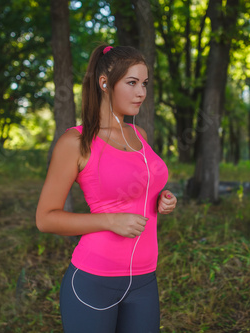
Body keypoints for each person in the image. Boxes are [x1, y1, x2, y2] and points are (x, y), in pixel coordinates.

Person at [36, 44, 177, 333]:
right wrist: (110, 221)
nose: (142, 93)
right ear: (104, 83)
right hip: (93, 281)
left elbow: (141, 188)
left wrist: (161, 198)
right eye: (132, 83)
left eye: (145, 84)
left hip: (145, 279)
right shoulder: (75, 142)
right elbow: (45, 218)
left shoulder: (139, 134)